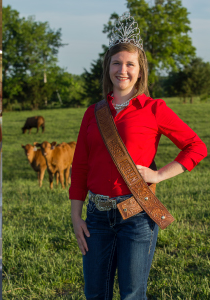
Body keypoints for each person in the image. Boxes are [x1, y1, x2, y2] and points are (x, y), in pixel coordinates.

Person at [68, 15, 205, 300]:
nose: (123, 70)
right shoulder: (92, 113)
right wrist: (75, 215)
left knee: (132, 295)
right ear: (108, 68)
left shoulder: (154, 108)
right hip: (95, 217)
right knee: (95, 294)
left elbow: (196, 146)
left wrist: (158, 175)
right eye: (117, 63)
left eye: (130, 64)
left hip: (137, 215)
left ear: (140, 71)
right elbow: (80, 165)